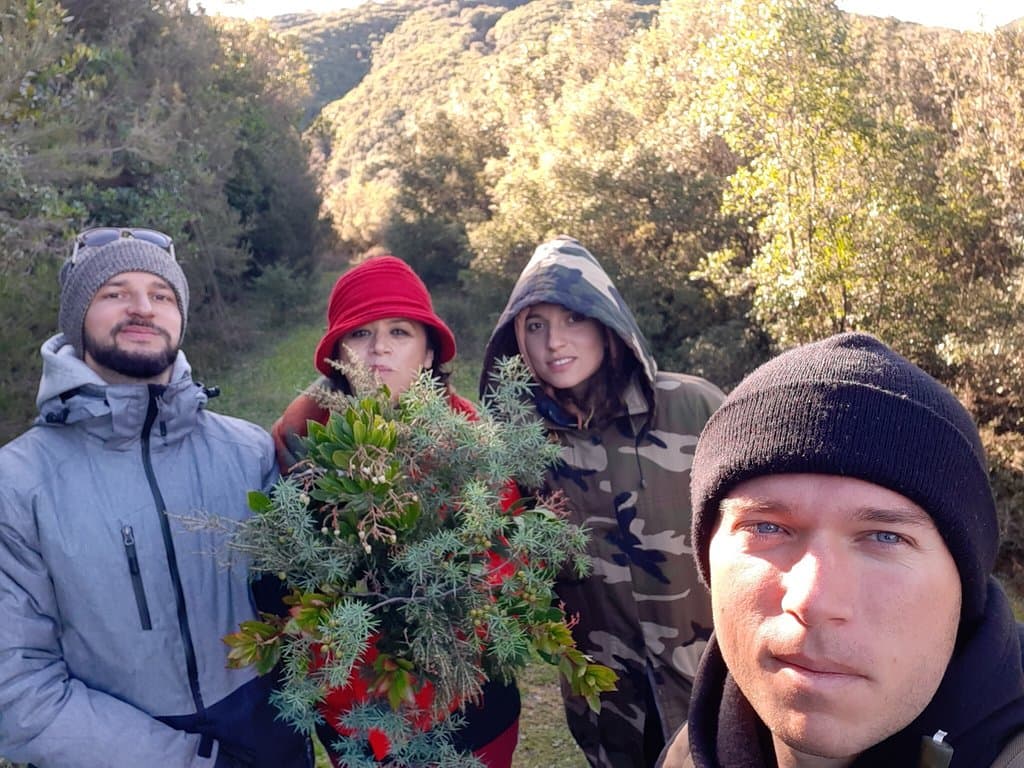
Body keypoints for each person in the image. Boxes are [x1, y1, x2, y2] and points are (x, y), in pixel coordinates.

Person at [0, 227, 312, 767]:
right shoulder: (17, 482)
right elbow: (18, 688)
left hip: (274, 742)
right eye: (114, 292)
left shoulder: (249, 450)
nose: (142, 307)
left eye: (161, 294)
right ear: (77, 319)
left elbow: (300, 600)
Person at [658, 332, 1024, 768]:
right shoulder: (690, 749)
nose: (813, 601)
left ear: (965, 586)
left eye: (884, 537)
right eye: (767, 526)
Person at [479, 235, 725, 767]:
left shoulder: (694, 407)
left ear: (607, 321)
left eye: (573, 319)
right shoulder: (518, 444)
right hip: (606, 702)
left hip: (712, 687)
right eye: (535, 324)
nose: (553, 343)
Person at [270, 254, 521, 768]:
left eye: (399, 331)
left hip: (467, 716)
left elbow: (503, 575)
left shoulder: (475, 449)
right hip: (354, 719)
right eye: (360, 333)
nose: (380, 347)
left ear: (429, 352)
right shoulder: (294, 449)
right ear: (339, 354)